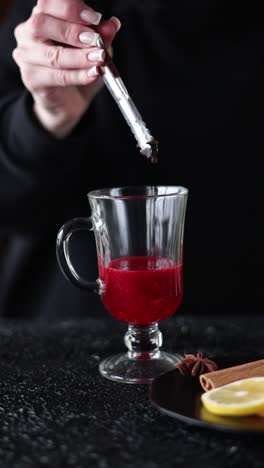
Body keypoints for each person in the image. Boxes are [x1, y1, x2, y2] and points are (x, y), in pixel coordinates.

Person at [0, 0, 263, 320]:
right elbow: (11, 204)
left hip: (246, 334)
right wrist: (50, 116)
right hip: (69, 331)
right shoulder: (56, 13)